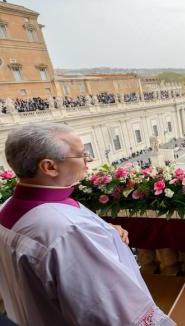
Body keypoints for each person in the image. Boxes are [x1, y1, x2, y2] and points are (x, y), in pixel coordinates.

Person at [0, 123, 175, 326]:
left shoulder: (6, 209)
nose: (87, 162)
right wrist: (92, 235)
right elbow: (110, 311)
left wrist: (103, 232)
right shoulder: (70, 232)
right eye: (81, 155)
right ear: (49, 167)